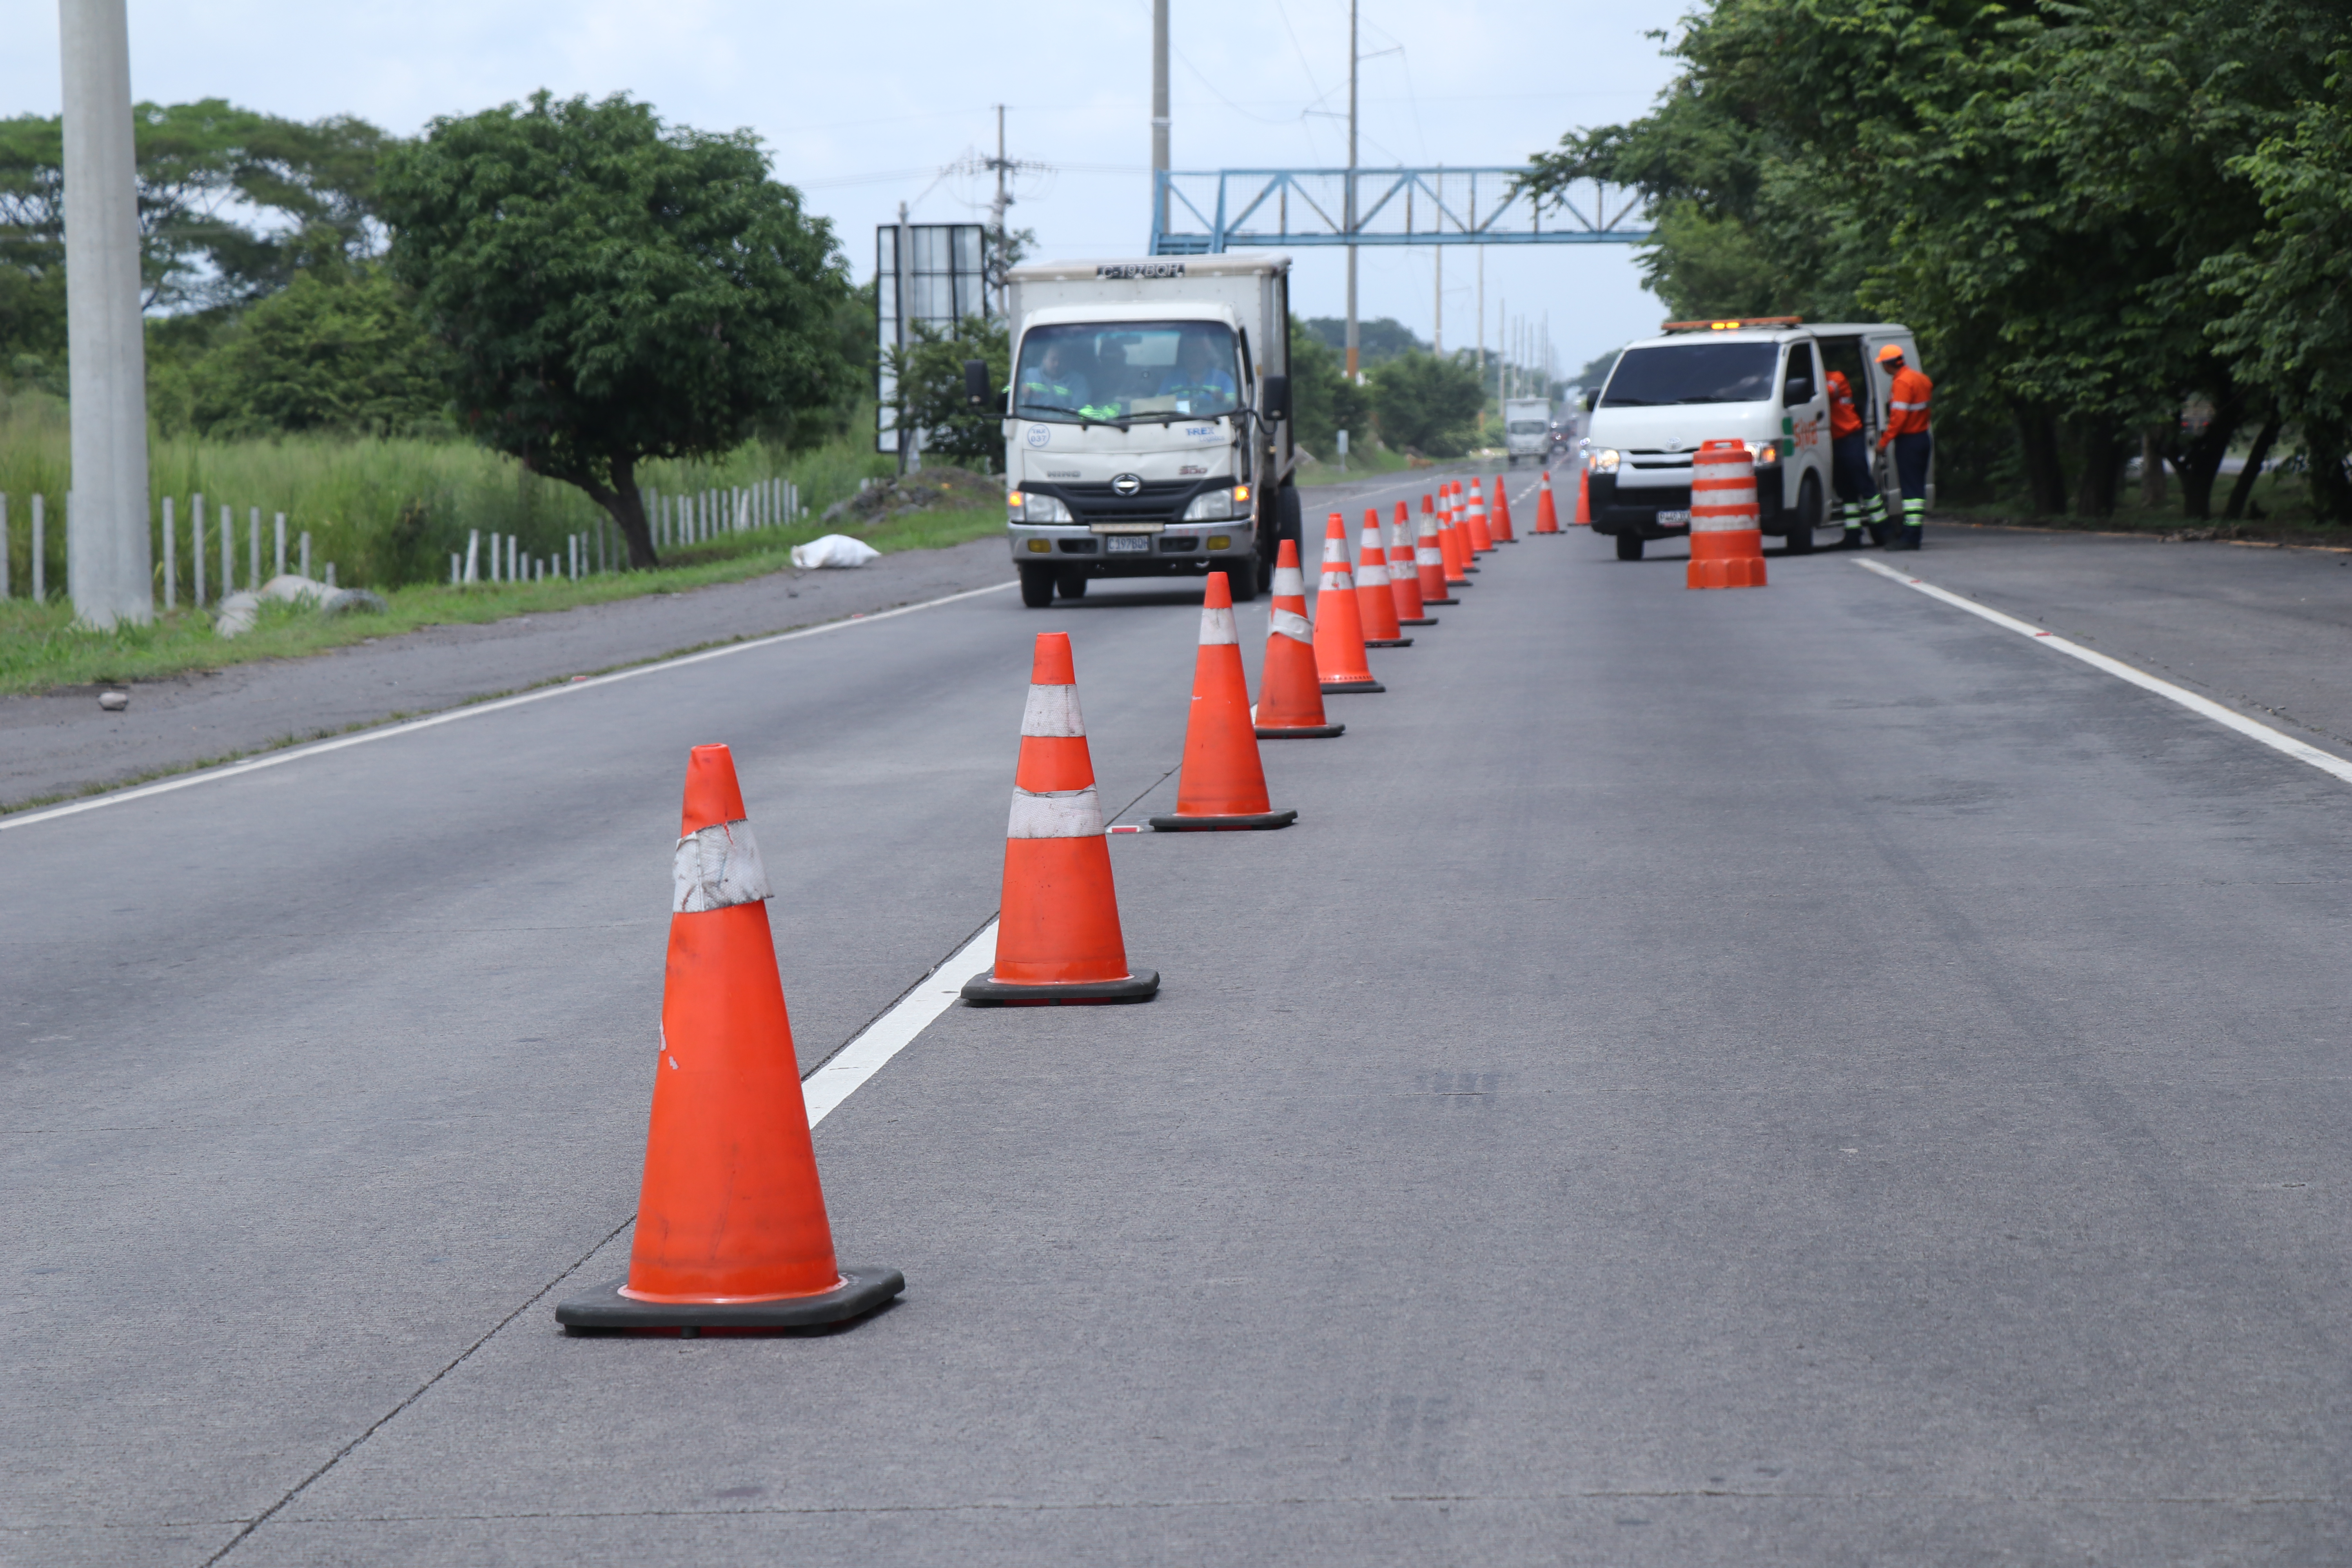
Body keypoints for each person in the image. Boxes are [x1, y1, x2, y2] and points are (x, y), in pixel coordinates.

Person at [1876, 343, 1933, 550]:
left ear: (1887, 364)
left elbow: (1898, 419)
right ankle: (1913, 533)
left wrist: (1883, 443)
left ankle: (1910, 538)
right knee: (1917, 489)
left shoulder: (1901, 383)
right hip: (1923, 438)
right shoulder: (1921, 379)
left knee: (1910, 492)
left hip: (1908, 442)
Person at [1825, 369, 1883, 549]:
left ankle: (1884, 531)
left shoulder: (1836, 378)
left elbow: (1826, 393)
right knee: (1846, 489)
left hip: (1851, 437)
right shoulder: (1825, 379)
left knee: (1863, 483)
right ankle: (1853, 535)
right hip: (1835, 441)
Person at [1157, 331, 1238, 410]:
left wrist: (1223, 399)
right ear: (1183, 357)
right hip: (1176, 422)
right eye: (1188, 353)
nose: (1192, 357)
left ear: (1206, 356)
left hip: (1213, 422)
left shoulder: (1223, 379)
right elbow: (1157, 405)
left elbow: (1234, 406)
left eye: (1196, 352)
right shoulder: (1171, 379)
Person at [1018, 338, 1092, 416]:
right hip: (1030, 423)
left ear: (1068, 362)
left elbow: (1080, 411)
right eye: (1053, 359)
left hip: (1062, 424)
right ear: (1044, 359)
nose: (1057, 364)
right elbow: (1008, 393)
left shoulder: (1078, 381)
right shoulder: (1028, 374)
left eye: (1062, 360)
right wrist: (1019, 390)